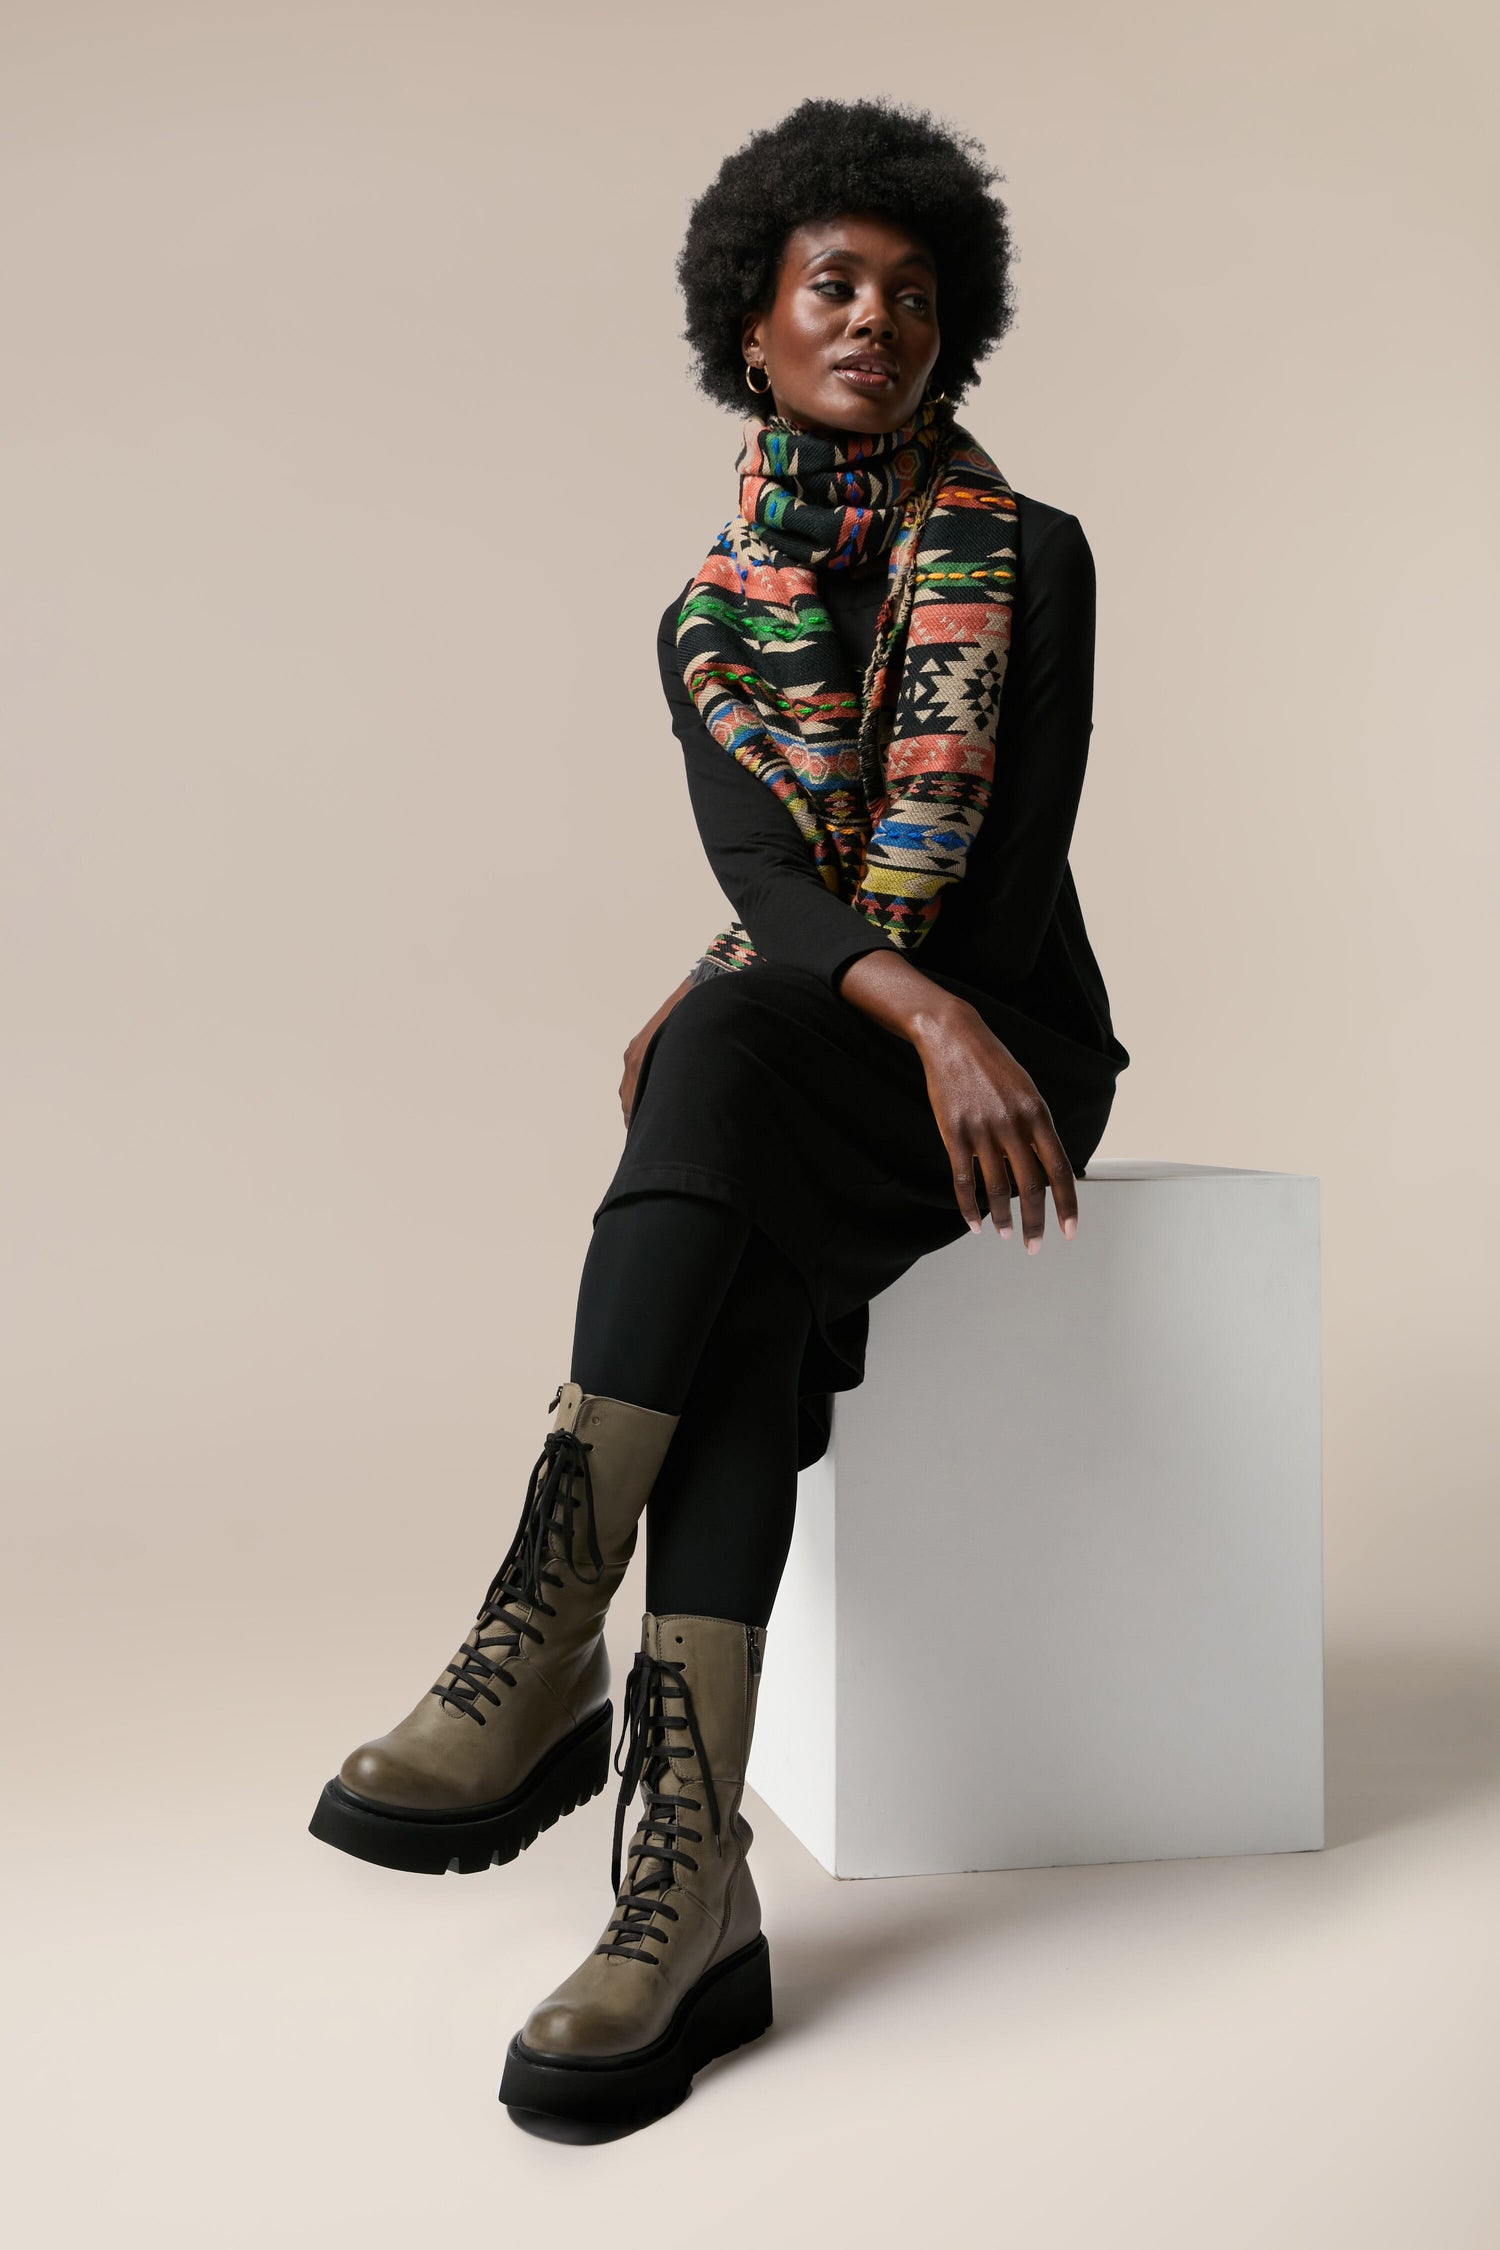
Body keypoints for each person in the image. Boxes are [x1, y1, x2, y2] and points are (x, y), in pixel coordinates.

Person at [309, 94, 1130, 2130]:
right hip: (835, 1040)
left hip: (1014, 1051)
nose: (877, 319)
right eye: (832, 284)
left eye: (915, 294)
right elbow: (767, 884)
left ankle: (541, 1656)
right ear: (750, 326)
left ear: (954, 333)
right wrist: (781, 963)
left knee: (721, 1049)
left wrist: (909, 1012)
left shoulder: (1032, 557)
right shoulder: (707, 615)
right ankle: (687, 1884)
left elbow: (999, 897)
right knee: (733, 1131)